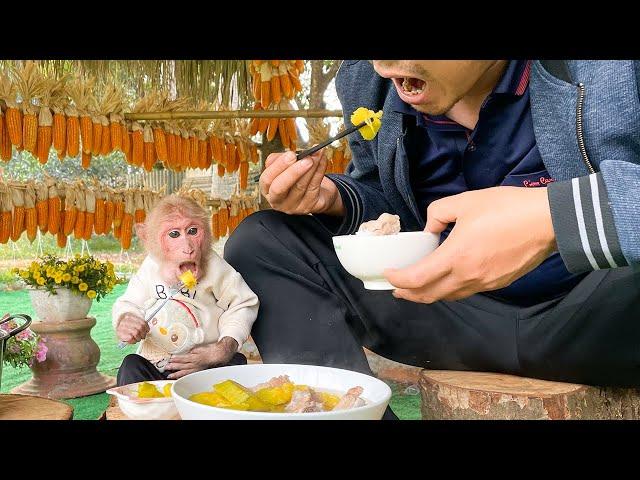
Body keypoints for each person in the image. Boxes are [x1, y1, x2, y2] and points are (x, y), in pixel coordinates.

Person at [224, 60, 640, 403]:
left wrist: (555, 217)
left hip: (599, 315)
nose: (384, 65)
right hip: (445, 314)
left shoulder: (609, 70)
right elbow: (387, 199)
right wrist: (336, 200)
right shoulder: (371, 83)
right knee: (262, 243)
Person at [113, 194, 259, 386]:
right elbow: (129, 303)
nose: (188, 247)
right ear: (148, 239)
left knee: (236, 362)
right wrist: (126, 320)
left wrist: (223, 348)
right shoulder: (150, 267)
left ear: (207, 233)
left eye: (192, 231)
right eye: (174, 234)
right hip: (157, 366)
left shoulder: (214, 266)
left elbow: (242, 303)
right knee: (130, 365)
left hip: (203, 366)